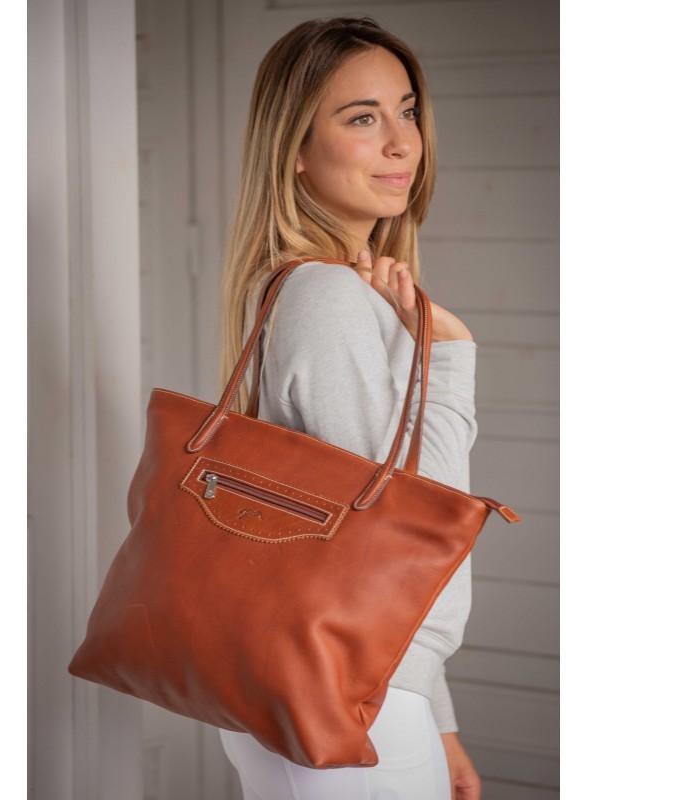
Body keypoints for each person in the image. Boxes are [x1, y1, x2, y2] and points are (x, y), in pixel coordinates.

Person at [216, 16, 482, 800]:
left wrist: (436, 721)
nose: (402, 142)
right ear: (296, 150)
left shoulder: (332, 289)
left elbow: (370, 562)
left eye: (407, 111)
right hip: (353, 693)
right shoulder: (326, 295)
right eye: (363, 119)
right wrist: (450, 355)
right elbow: (410, 521)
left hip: (355, 680)